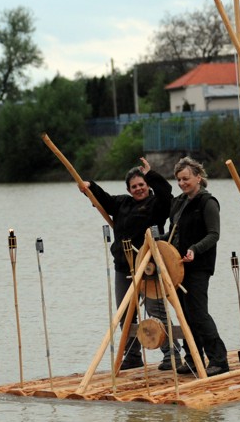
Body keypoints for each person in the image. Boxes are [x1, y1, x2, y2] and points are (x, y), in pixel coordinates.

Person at [81, 157, 180, 371]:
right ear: (128, 189)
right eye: (134, 186)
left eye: (142, 185)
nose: (138, 189)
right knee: (125, 313)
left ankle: (172, 354)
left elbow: (166, 191)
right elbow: (104, 200)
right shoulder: (122, 203)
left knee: (156, 310)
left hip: (149, 267)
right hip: (124, 267)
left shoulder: (157, 204)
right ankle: (133, 355)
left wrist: (151, 175)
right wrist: (90, 186)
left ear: (147, 186)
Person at [167, 156, 229, 376]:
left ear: (198, 178)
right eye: (179, 180)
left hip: (198, 267)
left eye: (186, 179)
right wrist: (154, 242)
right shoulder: (178, 202)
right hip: (177, 268)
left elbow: (214, 234)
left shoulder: (208, 202)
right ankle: (194, 359)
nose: (182, 183)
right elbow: (173, 233)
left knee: (199, 313)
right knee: (184, 314)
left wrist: (194, 249)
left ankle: (219, 360)